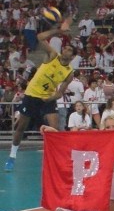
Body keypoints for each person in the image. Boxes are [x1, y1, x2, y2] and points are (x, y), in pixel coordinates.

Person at [5, 19, 74, 171]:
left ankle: (56, 159)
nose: (66, 50)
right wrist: (59, 31)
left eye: (69, 50)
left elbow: (60, 92)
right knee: (20, 128)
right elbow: (39, 37)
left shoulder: (69, 73)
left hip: (47, 98)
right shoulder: (53, 55)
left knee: (55, 129)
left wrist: (50, 98)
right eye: (66, 48)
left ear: (72, 57)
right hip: (31, 95)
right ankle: (12, 156)